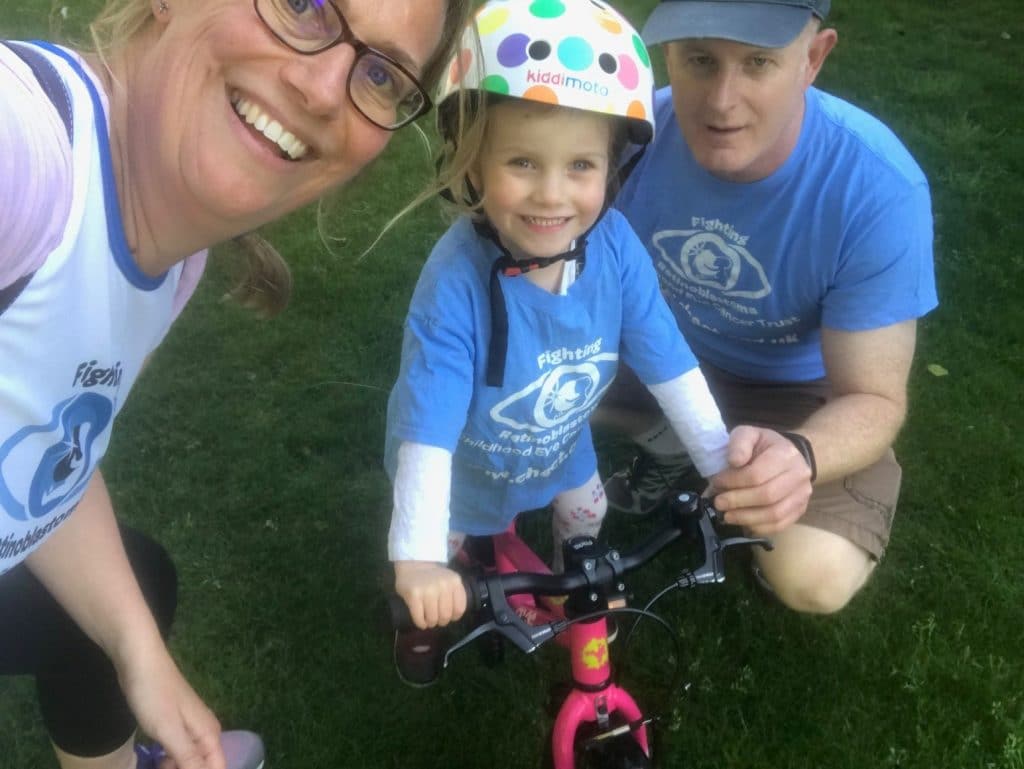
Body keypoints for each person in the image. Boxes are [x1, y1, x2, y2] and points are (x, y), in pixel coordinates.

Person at [0, 0, 469, 765]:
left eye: (381, 74)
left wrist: (139, 656)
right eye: (305, 6)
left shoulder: (174, 259)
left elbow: (47, 449)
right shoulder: (25, 156)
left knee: (141, 583)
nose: (324, 90)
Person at [385, 0, 735, 686]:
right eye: (521, 160)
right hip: (462, 465)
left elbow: (667, 358)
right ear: (471, 162)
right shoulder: (454, 283)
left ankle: (571, 573)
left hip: (556, 437)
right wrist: (418, 558)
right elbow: (428, 434)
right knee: (440, 568)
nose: (552, 195)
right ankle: (421, 620)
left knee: (589, 511)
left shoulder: (615, 249)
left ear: (616, 166)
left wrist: (720, 460)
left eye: (581, 165)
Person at [599, 0, 937, 614]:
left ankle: (725, 461)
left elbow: (874, 397)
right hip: (659, 351)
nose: (722, 101)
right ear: (666, 55)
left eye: (757, 62)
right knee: (500, 376)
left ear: (813, 58)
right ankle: (671, 435)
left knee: (814, 579)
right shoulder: (630, 135)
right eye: (700, 59)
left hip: (793, 393)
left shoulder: (877, 187)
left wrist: (801, 458)